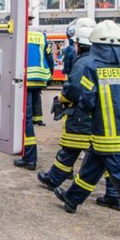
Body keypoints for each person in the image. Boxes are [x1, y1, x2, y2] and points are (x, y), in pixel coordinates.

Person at [49, 20, 120, 240]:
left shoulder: (93, 68)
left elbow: (87, 101)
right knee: (92, 165)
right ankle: (72, 198)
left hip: (102, 132)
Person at [38, 22, 97, 191]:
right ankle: (113, 193)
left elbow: (73, 89)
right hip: (96, 115)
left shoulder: (83, 63)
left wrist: (61, 100)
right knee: (103, 156)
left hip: (80, 113)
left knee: (70, 149)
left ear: (78, 44)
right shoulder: (100, 61)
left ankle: (53, 179)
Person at [15, 15, 52, 169]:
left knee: (25, 119)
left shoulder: (18, 35)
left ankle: (29, 157)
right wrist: (48, 78)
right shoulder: (40, 36)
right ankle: (26, 153)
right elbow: (49, 58)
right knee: (31, 116)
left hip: (25, 80)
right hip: (40, 79)